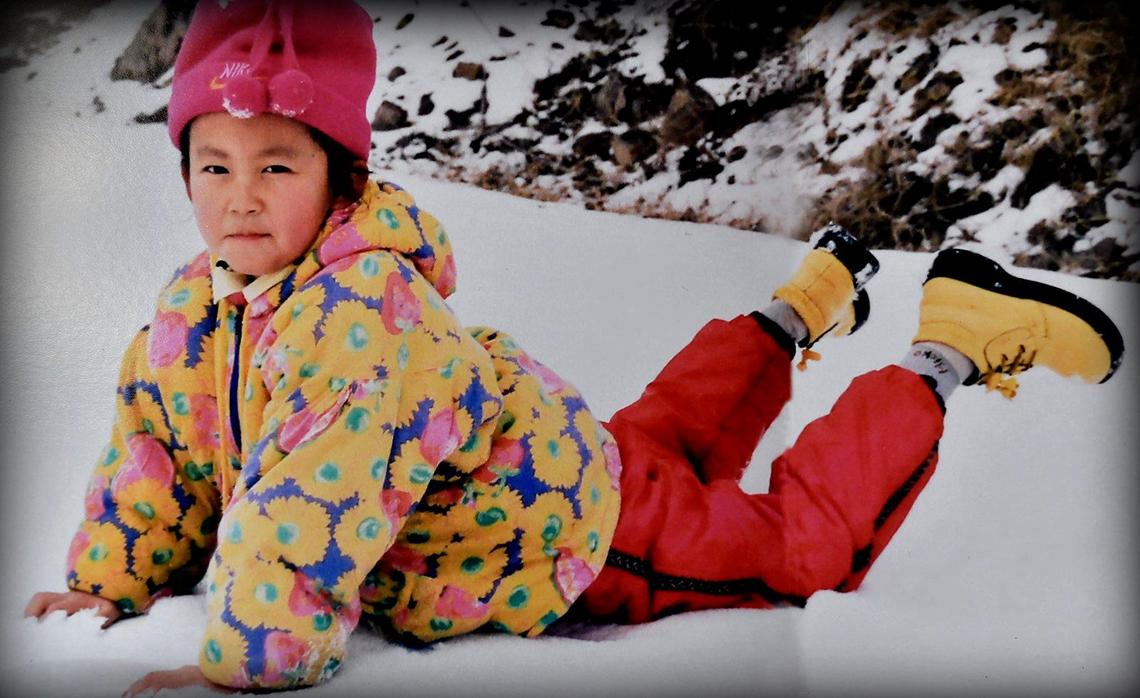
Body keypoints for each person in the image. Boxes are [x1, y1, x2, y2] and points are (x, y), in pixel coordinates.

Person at [23, 0, 1125, 695]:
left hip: (571, 540)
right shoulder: (192, 309)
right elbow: (156, 456)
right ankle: (808, 302)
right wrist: (109, 583)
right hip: (549, 463)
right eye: (214, 165)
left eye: (277, 165)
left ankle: (953, 340)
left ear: (340, 177)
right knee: (669, 437)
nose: (240, 200)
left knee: (794, 548)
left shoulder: (357, 319)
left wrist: (245, 663)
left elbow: (306, 500)